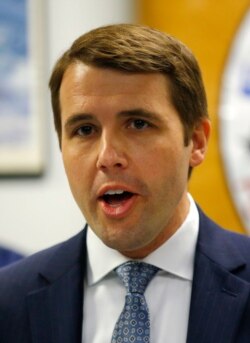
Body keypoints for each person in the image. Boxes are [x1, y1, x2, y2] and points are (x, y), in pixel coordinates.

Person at [0, 23, 250, 343]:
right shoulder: (9, 301)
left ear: (197, 142)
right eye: (85, 130)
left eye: (138, 124)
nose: (108, 156)